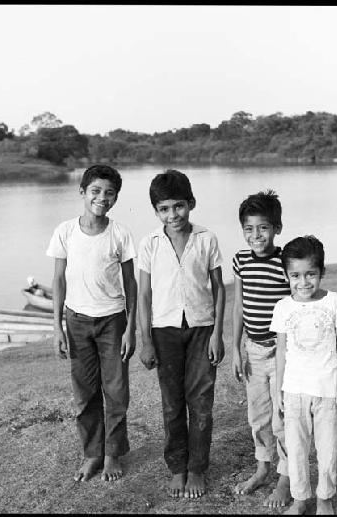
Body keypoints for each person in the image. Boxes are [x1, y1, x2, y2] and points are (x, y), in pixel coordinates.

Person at [46, 164, 137, 483]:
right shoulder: (65, 231)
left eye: (109, 193)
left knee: (116, 391)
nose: (102, 198)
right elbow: (58, 279)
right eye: (96, 191)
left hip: (112, 320)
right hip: (77, 320)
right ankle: (92, 454)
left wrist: (131, 327)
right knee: (84, 393)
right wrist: (58, 326)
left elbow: (131, 283)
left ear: (115, 198)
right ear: (82, 192)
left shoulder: (120, 233)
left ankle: (112, 453)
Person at [137, 169, 226, 499]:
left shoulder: (206, 238)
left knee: (201, 402)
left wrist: (218, 334)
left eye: (178, 206)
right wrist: (145, 340)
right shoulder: (150, 243)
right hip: (164, 332)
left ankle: (197, 468)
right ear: (156, 211)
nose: (172, 215)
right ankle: (177, 466)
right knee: (172, 404)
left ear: (191, 203)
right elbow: (144, 295)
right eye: (164, 209)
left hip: (202, 329)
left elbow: (219, 288)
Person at [271, 235, 337, 515]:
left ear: (321, 273)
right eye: (295, 275)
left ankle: (324, 498)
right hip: (294, 391)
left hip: (327, 390)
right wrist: (279, 391)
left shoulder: (334, 302)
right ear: (286, 275)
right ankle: (300, 499)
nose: (303, 282)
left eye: (310, 274)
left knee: (327, 449)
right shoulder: (283, 307)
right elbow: (281, 351)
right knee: (296, 449)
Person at [231, 190, 292, 508]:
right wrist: (236, 348)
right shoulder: (241, 261)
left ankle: (285, 478)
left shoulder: (286, 263)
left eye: (264, 227)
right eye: (249, 229)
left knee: (283, 418)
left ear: (277, 227)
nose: (256, 235)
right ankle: (262, 467)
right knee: (258, 417)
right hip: (253, 351)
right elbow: (239, 304)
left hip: (283, 354)